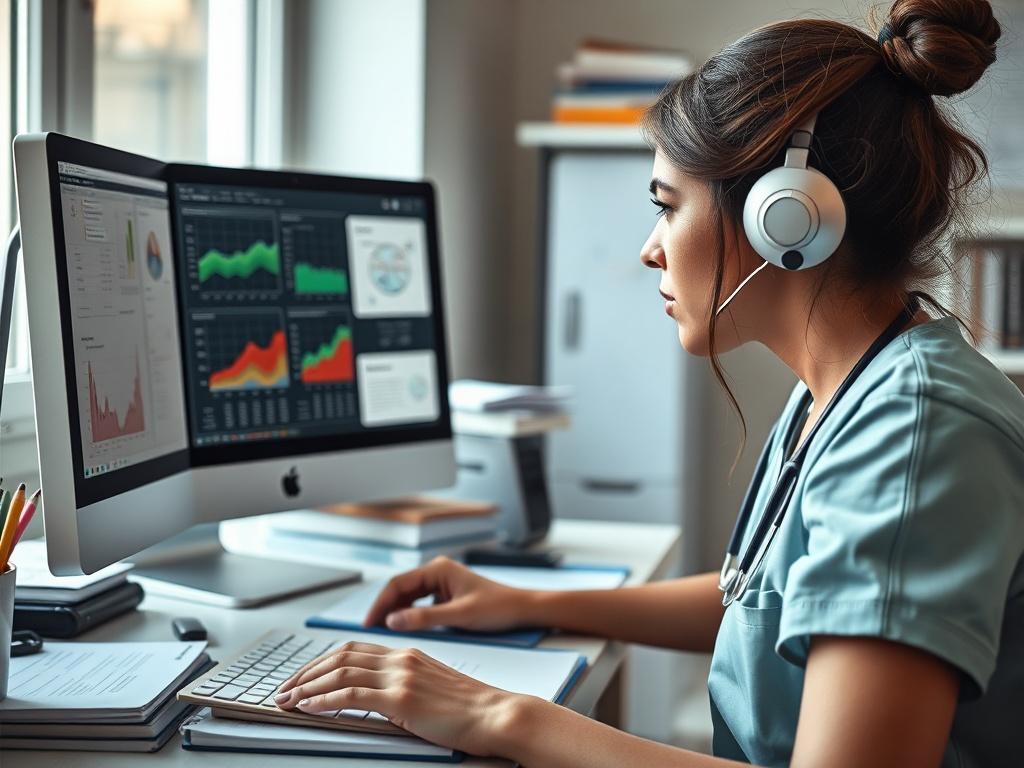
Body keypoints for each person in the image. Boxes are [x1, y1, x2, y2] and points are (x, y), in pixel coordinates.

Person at [275, 1, 1024, 765]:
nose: (650, 250)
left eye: (668, 207)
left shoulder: (916, 434)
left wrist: (503, 716)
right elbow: (769, 601)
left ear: (785, 216)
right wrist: (528, 604)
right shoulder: (844, 390)